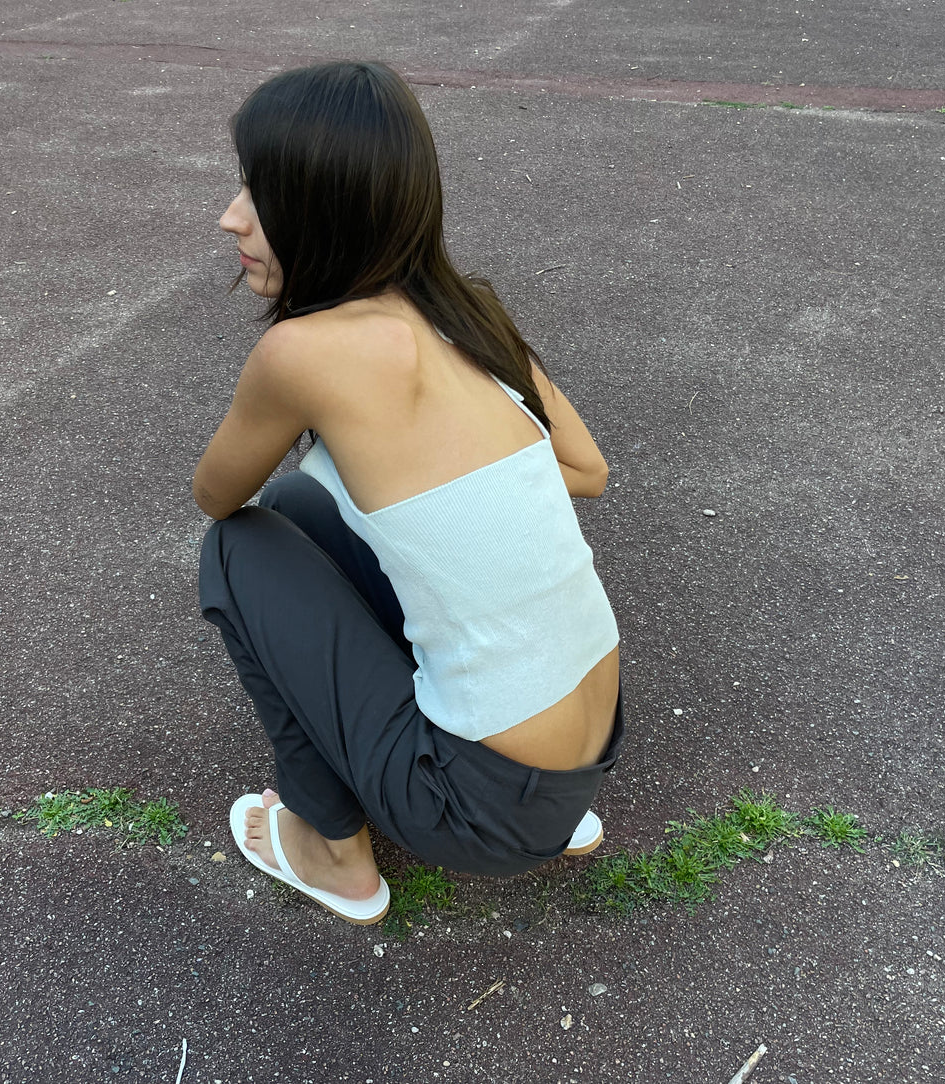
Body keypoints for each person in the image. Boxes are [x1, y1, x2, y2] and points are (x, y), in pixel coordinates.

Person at [193, 61, 622, 925]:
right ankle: (556, 817)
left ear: (330, 208)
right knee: (305, 509)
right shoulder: (465, 310)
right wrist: (419, 488)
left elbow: (215, 494)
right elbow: (586, 471)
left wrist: (376, 471)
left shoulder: (304, 353)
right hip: (587, 758)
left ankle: (332, 855)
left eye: (260, 193)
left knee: (240, 548)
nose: (231, 217)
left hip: (471, 811)